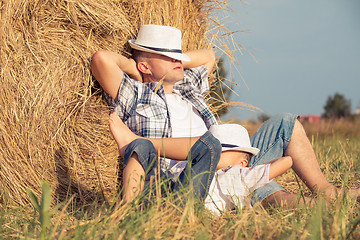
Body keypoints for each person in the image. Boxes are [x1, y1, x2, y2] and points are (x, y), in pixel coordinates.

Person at [91, 24, 360, 207]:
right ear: (145, 64)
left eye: (179, 55)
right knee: (251, 182)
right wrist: (137, 69)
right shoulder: (138, 95)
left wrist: (172, 60)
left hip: (231, 155)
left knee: (285, 123)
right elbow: (101, 59)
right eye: (168, 55)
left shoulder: (188, 88)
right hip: (198, 177)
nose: (178, 60)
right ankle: (311, 207)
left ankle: (326, 192)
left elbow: (209, 56)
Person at [205, 124, 293, 215]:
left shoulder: (236, 175)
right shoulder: (201, 167)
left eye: (221, 150)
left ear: (242, 163)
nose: (213, 152)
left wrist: (254, 169)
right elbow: (286, 161)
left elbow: (287, 161)